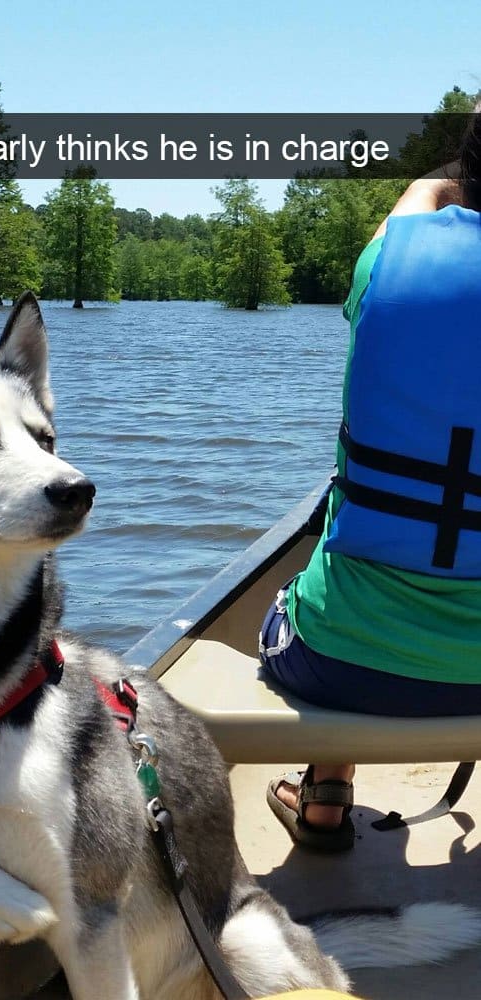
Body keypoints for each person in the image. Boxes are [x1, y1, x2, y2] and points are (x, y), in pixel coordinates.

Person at [260, 115, 481, 852]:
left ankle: (324, 798)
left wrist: (440, 180)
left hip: (342, 664)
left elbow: (419, 200)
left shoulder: (392, 260)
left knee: (326, 545)